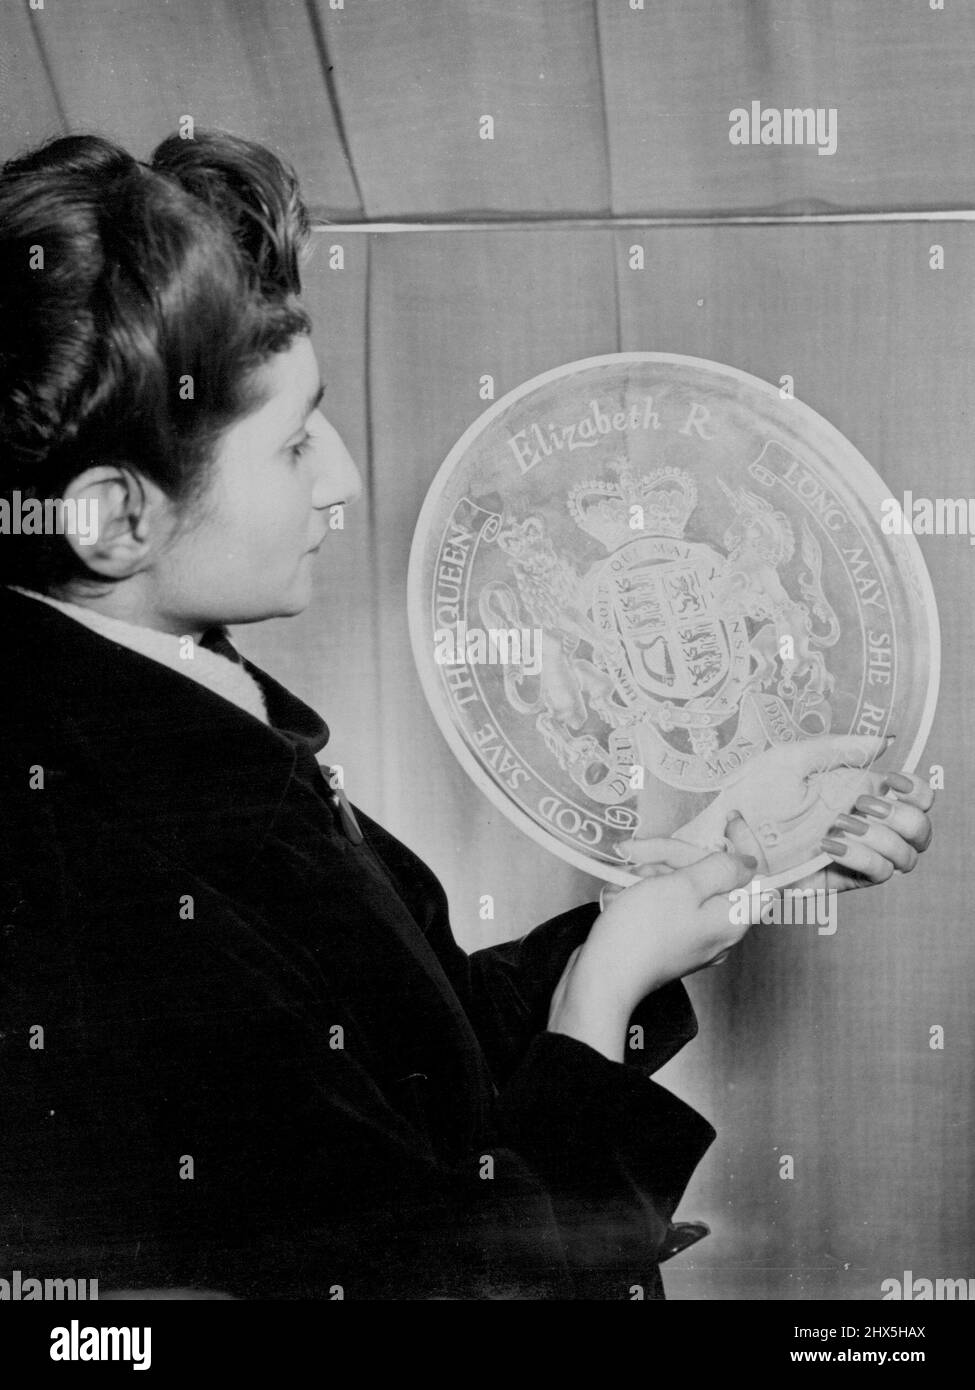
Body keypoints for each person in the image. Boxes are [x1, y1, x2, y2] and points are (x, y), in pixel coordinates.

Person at [0, 131, 935, 1300]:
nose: (340, 477)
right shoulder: (90, 874)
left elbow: (406, 1059)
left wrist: (711, 868)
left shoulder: (173, 702)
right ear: (112, 523)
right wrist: (596, 1002)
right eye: (291, 442)